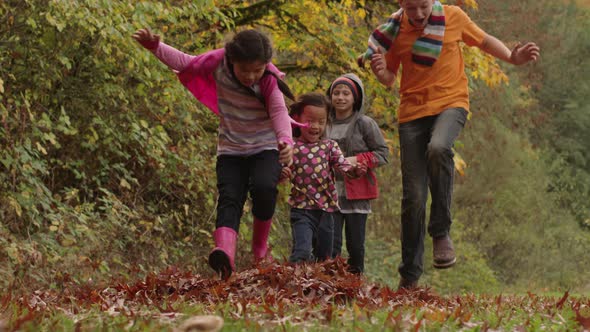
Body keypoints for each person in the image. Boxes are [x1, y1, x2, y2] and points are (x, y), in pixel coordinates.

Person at [358, 0, 540, 289]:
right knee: (413, 198)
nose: (418, 15)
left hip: (451, 103)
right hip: (412, 114)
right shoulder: (394, 31)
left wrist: (511, 57)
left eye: (423, 7)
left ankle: (440, 231)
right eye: (411, 8)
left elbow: (484, 40)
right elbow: (390, 79)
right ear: (402, 5)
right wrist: (380, 70)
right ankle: (409, 277)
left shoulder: (454, 17)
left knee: (440, 147)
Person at [133, 28, 304, 279]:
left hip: (266, 146)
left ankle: (259, 249)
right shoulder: (217, 63)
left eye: (257, 70)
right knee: (229, 197)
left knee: (264, 188)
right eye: (245, 70)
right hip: (231, 148)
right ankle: (225, 254)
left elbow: (279, 111)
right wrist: (155, 47)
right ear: (232, 61)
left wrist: (285, 141)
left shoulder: (268, 79)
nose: (250, 76)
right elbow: (185, 61)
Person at [280, 92, 358, 264]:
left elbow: (342, 164)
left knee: (324, 258)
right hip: (301, 209)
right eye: (309, 121)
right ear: (297, 119)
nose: (315, 126)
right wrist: (281, 174)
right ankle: (294, 282)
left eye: (321, 122)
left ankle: (317, 288)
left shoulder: (329, 146)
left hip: (326, 211)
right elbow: (280, 170)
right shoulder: (291, 145)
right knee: (302, 251)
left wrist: (352, 170)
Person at [325, 73, 390, 274]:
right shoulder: (323, 122)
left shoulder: (365, 124)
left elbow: (383, 154)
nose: (340, 97)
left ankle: (355, 286)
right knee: (330, 245)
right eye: (336, 93)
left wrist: (357, 160)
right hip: (327, 195)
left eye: (346, 93)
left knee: (355, 246)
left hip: (357, 195)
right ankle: (329, 285)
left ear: (355, 98)